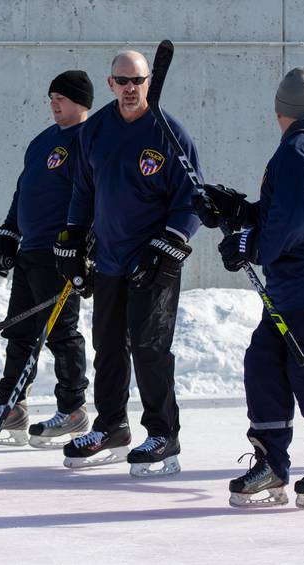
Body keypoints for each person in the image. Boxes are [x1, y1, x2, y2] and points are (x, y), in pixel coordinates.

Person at [198, 67, 304, 508]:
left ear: (280, 110)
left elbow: (293, 223)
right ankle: (271, 461)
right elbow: (282, 214)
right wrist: (236, 211)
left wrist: (250, 243)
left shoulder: (301, 150)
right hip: (297, 284)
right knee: (265, 362)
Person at [54, 50, 200, 476]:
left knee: (150, 348)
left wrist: (169, 244)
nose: (131, 88)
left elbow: (191, 201)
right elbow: (83, 190)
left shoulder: (170, 133)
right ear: (111, 83)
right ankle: (112, 427)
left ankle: (163, 434)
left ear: (149, 81)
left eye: (137, 80)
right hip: (110, 260)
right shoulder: (96, 128)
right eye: (123, 81)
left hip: (155, 261)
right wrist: (72, 238)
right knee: (108, 346)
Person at [0, 71, 94, 448]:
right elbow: (24, 191)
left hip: (62, 255)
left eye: (63, 98)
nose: (55, 103)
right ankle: (12, 407)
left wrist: (85, 247)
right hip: (30, 252)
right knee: (19, 333)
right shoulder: (41, 143)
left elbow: (97, 196)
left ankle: (73, 410)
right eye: (51, 96)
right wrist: (8, 232)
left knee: (60, 334)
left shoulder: (90, 140)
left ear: (82, 102)